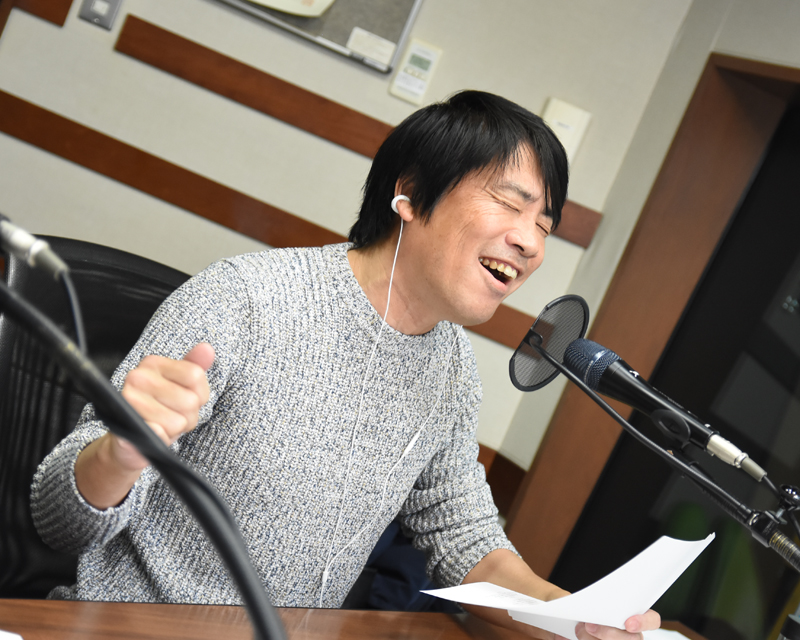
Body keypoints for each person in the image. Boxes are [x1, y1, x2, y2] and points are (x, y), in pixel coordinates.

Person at [31, 90, 659, 639]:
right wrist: (118, 456)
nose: (530, 242)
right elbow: (59, 520)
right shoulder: (246, 298)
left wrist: (572, 615)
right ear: (410, 193)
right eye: (509, 203)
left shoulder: (452, 371)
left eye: (545, 225)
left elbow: (465, 538)